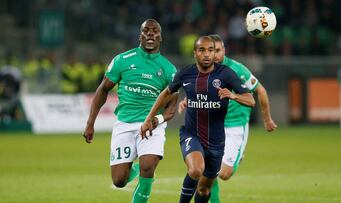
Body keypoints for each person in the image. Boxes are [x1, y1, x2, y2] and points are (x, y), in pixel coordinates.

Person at [140, 36, 255, 203]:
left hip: (216, 141)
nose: (207, 54)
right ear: (195, 53)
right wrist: (149, 118)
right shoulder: (186, 74)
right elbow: (166, 93)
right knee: (195, 170)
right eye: (202, 50)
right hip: (191, 134)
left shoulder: (226, 74)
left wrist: (232, 95)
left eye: (211, 50)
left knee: (203, 188)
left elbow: (251, 100)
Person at [83, 19, 178, 203]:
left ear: (161, 37)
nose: (150, 34)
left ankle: (144, 172)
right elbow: (103, 90)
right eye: (146, 31)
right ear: (140, 36)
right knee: (119, 181)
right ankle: (134, 169)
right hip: (124, 124)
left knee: (148, 166)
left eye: (155, 31)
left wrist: (155, 120)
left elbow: (171, 108)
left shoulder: (169, 70)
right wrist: (90, 123)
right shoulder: (122, 60)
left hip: (151, 125)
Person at [178, 34, 278, 203]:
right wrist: (187, 100)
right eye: (211, 50)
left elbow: (260, 90)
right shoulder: (205, 69)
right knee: (206, 177)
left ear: (224, 50)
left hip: (236, 126)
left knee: (223, 174)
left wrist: (267, 119)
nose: (213, 55)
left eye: (217, 50)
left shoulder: (237, 70)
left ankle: (238, 156)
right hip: (213, 126)